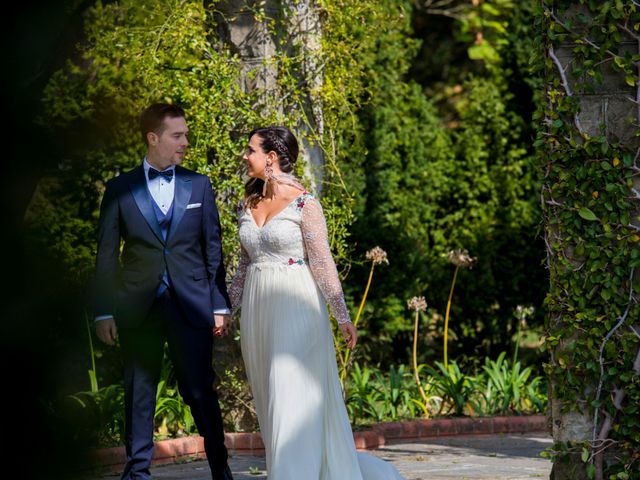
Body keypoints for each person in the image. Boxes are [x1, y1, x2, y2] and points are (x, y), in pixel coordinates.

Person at [228, 126, 405, 479]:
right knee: (270, 399)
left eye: (251, 150)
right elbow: (245, 264)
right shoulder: (248, 202)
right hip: (258, 311)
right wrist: (225, 311)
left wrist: (342, 316)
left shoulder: (306, 204)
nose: (245, 157)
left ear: (271, 157)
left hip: (296, 308)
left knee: (291, 395)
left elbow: (322, 262)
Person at [92, 103, 234, 480]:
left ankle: (221, 467)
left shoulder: (199, 184)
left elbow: (212, 250)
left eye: (185, 134)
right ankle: (137, 472)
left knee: (200, 390)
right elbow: (106, 255)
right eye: (177, 135)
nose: (185, 142)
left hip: (191, 304)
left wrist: (219, 303)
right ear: (152, 138)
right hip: (138, 306)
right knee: (139, 391)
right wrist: (103, 311)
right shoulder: (120, 189)